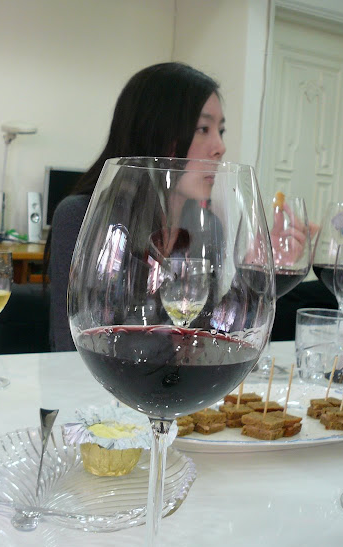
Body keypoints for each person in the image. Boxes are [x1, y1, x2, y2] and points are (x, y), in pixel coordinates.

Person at [47, 62, 226, 351]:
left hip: (176, 380)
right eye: (203, 129)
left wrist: (255, 273)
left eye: (220, 130)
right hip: (98, 379)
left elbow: (206, 339)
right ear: (155, 133)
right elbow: (73, 346)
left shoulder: (207, 226)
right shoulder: (81, 217)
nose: (219, 147)